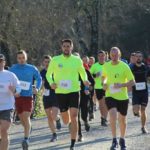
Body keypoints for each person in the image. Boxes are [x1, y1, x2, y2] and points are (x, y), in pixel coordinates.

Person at [46, 39, 89, 150]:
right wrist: (52, 83)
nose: (66, 48)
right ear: (62, 47)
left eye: (68, 46)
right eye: (64, 46)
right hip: (60, 92)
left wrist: (85, 80)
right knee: (66, 120)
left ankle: (72, 143)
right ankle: (65, 121)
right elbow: (48, 74)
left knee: (74, 116)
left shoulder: (77, 60)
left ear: (72, 47)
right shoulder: (55, 60)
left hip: (74, 91)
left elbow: (83, 72)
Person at [102, 47, 135, 150]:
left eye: (116, 55)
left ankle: (122, 139)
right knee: (112, 114)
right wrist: (103, 83)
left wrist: (122, 84)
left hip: (122, 97)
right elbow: (104, 77)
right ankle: (114, 140)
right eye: (112, 55)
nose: (114, 56)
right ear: (110, 56)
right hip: (110, 95)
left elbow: (132, 81)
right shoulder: (106, 66)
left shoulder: (124, 66)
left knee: (122, 120)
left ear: (119, 55)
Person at [9, 50, 42, 150]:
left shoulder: (31, 68)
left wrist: (37, 88)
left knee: (26, 117)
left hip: (28, 96)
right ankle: (28, 129)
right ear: (17, 59)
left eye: (23, 57)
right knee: (22, 119)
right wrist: (12, 91)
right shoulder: (13, 69)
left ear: (26, 57)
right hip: (17, 97)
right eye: (19, 58)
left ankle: (26, 139)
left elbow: (39, 78)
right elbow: (8, 80)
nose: (21, 60)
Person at [0, 54, 20, 150]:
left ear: (4, 62)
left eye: (1, 61)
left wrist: (15, 91)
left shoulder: (10, 75)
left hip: (7, 107)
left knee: (4, 130)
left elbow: (19, 89)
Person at [40, 55, 61, 142]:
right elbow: (41, 83)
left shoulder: (55, 71)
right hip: (46, 95)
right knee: (49, 116)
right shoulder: (42, 72)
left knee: (54, 115)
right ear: (43, 63)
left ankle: (58, 119)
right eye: (46, 62)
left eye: (49, 62)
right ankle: (54, 134)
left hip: (55, 94)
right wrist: (39, 88)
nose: (47, 63)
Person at [130, 51, 150, 134]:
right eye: (137, 56)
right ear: (135, 58)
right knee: (136, 110)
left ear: (142, 58)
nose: (138, 58)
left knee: (143, 110)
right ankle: (135, 111)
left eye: (140, 56)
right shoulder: (131, 68)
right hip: (135, 92)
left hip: (144, 91)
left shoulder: (146, 68)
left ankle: (143, 127)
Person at [78, 56, 95, 142]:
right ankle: (79, 134)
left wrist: (87, 89)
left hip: (84, 96)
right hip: (73, 96)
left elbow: (92, 83)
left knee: (83, 114)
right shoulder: (69, 73)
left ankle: (85, 121)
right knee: (75, 116)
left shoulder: (86, 71)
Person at [90, 50, 108, 126]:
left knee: (105, 103)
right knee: (101, 104)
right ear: (98, 57)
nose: (101, 57)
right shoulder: (95, 66)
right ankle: (102, 117)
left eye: (102, 56)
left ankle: (104, 118)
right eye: (99, 56)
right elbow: (89, 76)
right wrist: (95, 75)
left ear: (105, 56)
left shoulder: (108, 65)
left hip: (106, 87)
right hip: (98, 87)